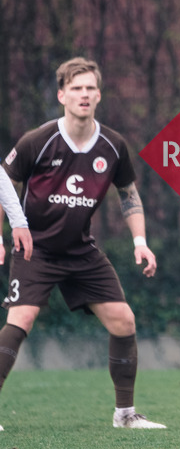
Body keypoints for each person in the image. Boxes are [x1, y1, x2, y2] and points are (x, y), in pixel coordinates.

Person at [0, 57, 165, 430]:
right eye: (76, 88)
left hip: (80, 251)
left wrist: (140, 241)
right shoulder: (37, 141)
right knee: (21, 318)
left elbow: (129, 195)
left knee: (124, 320)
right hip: (35, 249)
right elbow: (4, 187)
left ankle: (125, 415)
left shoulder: (113, 145)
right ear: (62, 95)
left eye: (90, 88)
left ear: (99, 95)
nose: (84, 94)